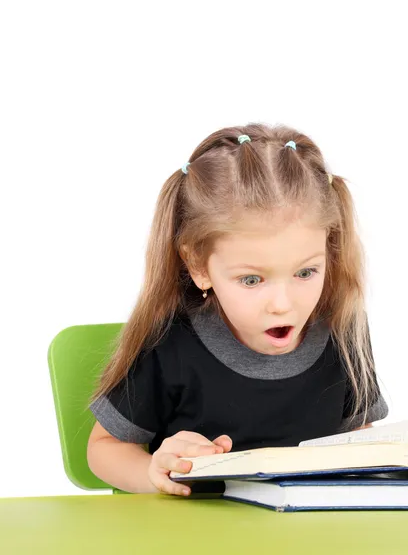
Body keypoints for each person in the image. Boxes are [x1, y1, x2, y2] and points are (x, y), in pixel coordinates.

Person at [87, 123, 388, 496]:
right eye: (251, 280)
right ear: (198, 266)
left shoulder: (342, 325)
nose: (282, 304)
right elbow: (103, 449)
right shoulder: (170, 340)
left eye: (306, 272)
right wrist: (154, 472)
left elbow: (356, 439)